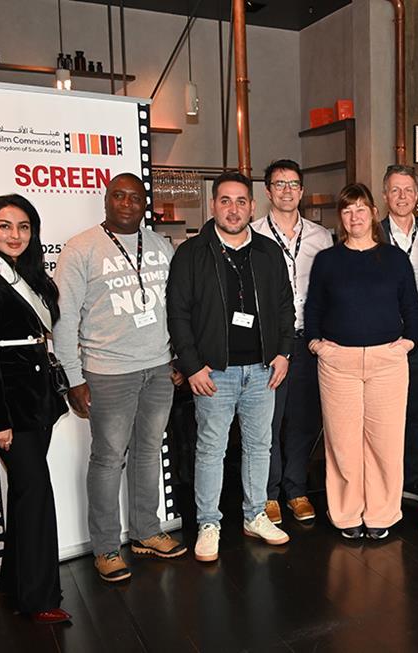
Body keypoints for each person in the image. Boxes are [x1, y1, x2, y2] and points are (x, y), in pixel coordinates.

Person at [53, 173, 187, 583]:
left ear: (145, 204)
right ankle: (107, 546)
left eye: (135, 197)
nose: (127, 203)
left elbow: (176, 306)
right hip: (108, 372)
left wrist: (178, 356)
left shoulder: (161, 245)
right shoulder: (81, 248)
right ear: (106, 201)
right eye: (118, 196)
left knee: (149, 452)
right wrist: (74, 377)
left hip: (159, 368)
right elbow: (65, 319)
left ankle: (146, 531)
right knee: (109, 459)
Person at [167, 171, 295, 561]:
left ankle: (255, 514)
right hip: (213, 373)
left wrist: (283, 352)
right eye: (225, 201)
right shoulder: (192, 253)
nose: (233, 209)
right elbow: (178, 314)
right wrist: (191, 367)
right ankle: (209, 522)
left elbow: (284, 306)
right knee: (211, 449)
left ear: (252, 207)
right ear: (213, 205)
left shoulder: (268, 252)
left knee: (259, 445)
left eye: (241, 201)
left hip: (261, 369)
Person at [0, 195, 70, 624]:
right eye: (4, 226)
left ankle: (14, 581)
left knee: (25, 493)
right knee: (36, 494)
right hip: (10, 410)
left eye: (23, 226)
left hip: (38, 402)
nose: (15, 235)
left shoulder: (27, 275)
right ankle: (39, 598)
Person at [304, 183, 418, 540]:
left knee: (385, 442)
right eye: (347, 210)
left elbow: (412, 307)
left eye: (360, 208)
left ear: (373, 212)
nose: (354, 216)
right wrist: (316, 344)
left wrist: (408, 343)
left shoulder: (395, 259)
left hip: (387, 361)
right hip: (338, 362)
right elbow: (314, 307)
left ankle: (382, 513)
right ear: (340, 218)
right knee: (342, 442)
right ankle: (345, 514)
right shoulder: (327, 260)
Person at [252, 159, 333, 526]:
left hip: (309, 341)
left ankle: (296, 488)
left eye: (293, 184)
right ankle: (267, 494)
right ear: (267, 191)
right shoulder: (252, 235)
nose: (287, 190)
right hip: (268, 343)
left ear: (301, 190)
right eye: (279, 184)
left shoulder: (321, 237)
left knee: (303, 419)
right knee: (266, 420)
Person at [380, 164, 418, 506]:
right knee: (381, 416)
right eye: (395, 190)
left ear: (417, 197)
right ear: (385, 195)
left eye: (408, 190)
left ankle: (410, 479)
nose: (402, 196)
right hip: (379, 342)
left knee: (414, 414)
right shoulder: (371, 234)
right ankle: (382, 482)